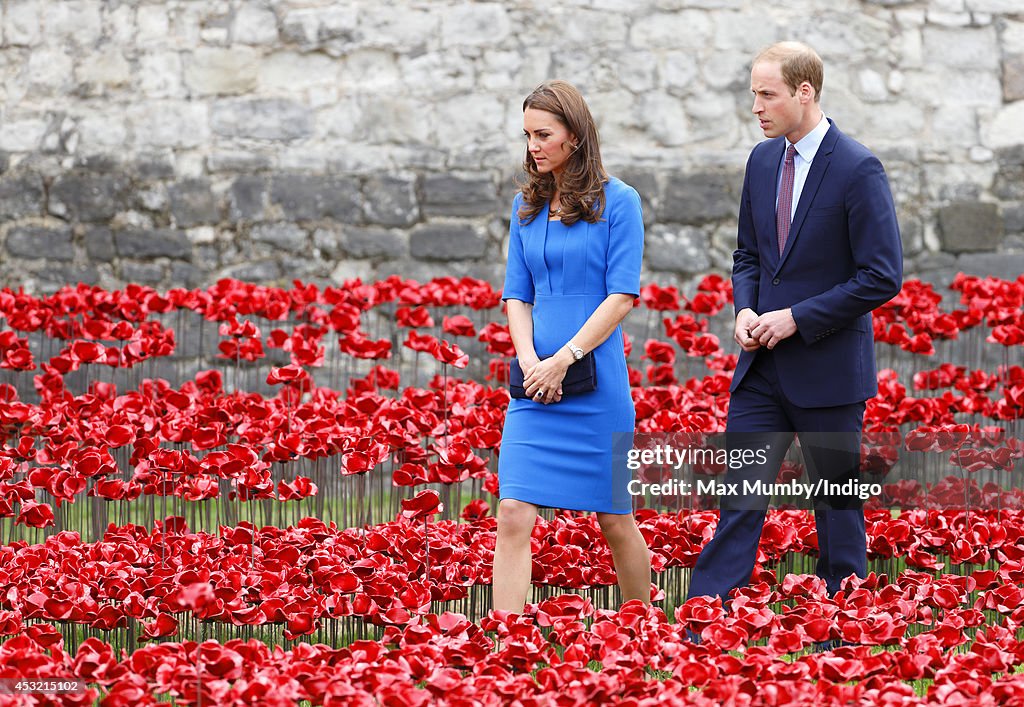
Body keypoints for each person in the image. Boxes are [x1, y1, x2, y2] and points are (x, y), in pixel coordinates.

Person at [686, 43, 903, 606]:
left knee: (837, 509)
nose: (755, 106)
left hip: (829, 372)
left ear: (804, 92)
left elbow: (882, 276)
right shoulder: (761, 161)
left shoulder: (859, 168)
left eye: (766, 94)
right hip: (761, 369)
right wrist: (745, 309)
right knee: (739, 500)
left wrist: (797, 319)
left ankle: (846, 630)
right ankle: (703, 625)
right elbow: (748, 256)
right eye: (753, 93)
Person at [492, 79, 651, 614]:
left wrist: (566, 358)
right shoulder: (525, 207)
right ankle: (507, 645)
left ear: (575, 137)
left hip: (596, 382)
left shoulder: (621, 202)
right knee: (513, 510)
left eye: (544, 134)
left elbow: (622, 294)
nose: (534, 145)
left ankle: (642, 629)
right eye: (528, 135)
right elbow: (516, 294)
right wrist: (531, 361)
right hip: (534, 388)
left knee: (614, 518)